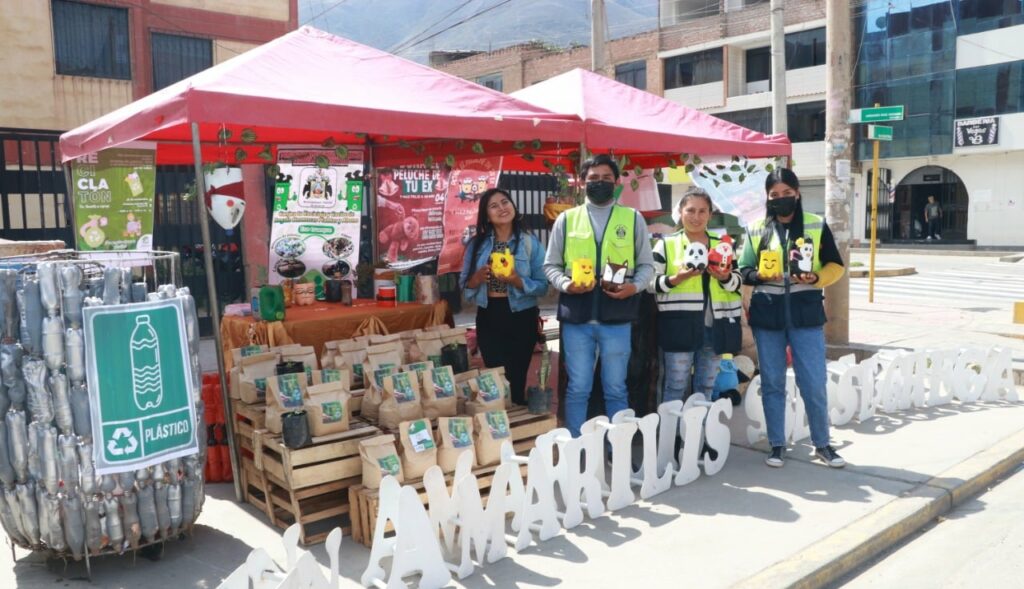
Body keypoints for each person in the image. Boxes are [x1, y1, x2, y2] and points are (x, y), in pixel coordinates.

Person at [737, 168, 847, 468]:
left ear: (797, 194)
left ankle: (822, 444)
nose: (781, 199)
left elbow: (836, 266)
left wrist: (816, 277)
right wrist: (760, 274)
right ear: (767, 198)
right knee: (772, 382)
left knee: (812, 382)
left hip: (806, 314)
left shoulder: (815, 224)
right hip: (768, 315)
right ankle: (776, 444)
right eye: (775, 195)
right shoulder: (756, 228)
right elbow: (743, 269)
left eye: (787, 193)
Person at [543, 154, 655, 437]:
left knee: (616, 387)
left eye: (606, 178)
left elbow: (646, 266)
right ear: (582, 183)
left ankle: (615, 447)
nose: (600, 183)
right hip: (577, 318)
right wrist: (567, 285)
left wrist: (634, 287)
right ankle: (576, 445)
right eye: (593, 178)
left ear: (617, 183)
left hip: (617, 318)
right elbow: (550, 265)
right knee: (578, 387)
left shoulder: (632, 219)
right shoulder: (567, 220)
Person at [651, 188, 742, 403]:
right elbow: (649, 284)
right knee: (675, 385)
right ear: (680, 212)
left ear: (710, 214)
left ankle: (699, 435)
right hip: (679, 327)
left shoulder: (724, 244)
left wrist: (724, 277)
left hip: (716, 327)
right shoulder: (666, 244)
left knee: (706, 387)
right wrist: (677, 278)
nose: (696, 217)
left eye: (702, 211)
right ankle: (670, 436)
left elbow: (738, 283)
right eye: (690, 210)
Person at [460, 188, 547, 406]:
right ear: (486, 215)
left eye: (505, 202)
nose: (502, 208)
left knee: (516, 379)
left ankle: (515, 428)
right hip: (490, 315)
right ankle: (498, 428)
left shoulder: (529, 242)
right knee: (495, 378)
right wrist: (477, 278)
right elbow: (465, 285)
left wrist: (517, 281)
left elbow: (544, 286)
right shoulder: (477, 245)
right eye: (494, 205)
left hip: (522, 315)